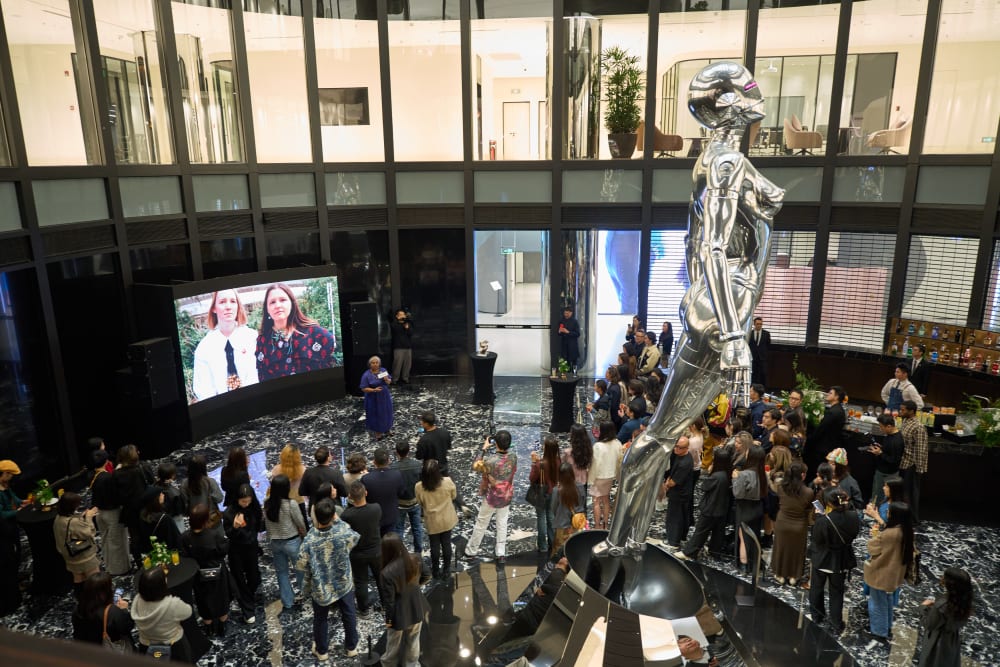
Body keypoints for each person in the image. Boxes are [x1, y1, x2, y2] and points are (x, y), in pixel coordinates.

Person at [593, 62, 785, 564]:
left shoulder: (715, 161)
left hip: (720, 305)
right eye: (746, 87)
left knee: (663, 435)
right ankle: (621, 540)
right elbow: (713, 249)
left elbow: (694, 244)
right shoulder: (724, 163)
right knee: (658, 434)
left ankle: (628, 539)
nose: (757, 94)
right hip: (721, 309)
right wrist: (734, 334)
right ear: (728, 105)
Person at [296, 498, 361, 661]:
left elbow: (301, 564)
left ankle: (322, 651)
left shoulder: (310, 540)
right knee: (349, 613)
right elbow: (355, 537)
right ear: (333, 516)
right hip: (343, 582)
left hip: (321, 587)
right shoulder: (342, 532)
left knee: (320, 618)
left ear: (315, 516)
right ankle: (351, 647)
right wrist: (338, 521)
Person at [255, 282, 337, 380]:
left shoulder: (315, 333)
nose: (278, 305)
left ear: (292, 304)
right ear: (267, 309)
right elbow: (263, 378)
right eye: (272, 302)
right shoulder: (263, 341)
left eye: (283, 300)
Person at [808, 487, 860, 635]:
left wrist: (819, 518)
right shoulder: (853, 516)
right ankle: (836, 623)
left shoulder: (823, 520)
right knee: (837, 592)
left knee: (816, 588)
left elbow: (816, 540)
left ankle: (817, 616)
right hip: (841, 561)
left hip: (822, 559)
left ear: (829, 503)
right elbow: (854, 534)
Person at [192, 289, 259, 400]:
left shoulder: (252, 338)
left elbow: (257, 376)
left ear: (238, 306)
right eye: (222, 302)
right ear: (214, 308)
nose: (228, 307)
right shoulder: (204, 348)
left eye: (233, 301)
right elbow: (204, 391)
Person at [864, 501, 915, 642]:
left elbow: (872, 548)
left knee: (877, 603)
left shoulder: (890, 533)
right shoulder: (906, 531)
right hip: (895, 573)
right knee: (887, 601)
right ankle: (886, 626)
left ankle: (879, 631)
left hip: (881, 573)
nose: (887, 513)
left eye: (889, 512)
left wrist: (875, 536)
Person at [180, 503, 234, 637]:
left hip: (198, 575)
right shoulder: (214, 535)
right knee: (221, 598)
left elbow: (184, 556)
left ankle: (208, 627)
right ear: (205, 519)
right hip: (217, 572)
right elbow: (223, 550)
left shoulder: (185, 537)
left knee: (203, 600)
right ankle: (222, 626)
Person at [464, 431, 517, 564]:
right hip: (506, 495)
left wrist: (484, 449)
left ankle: (471, 551)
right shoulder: (513, 457)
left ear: (496, 444)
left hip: (491, 497)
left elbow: (475, 466)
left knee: (481, 523)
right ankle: (500, 552)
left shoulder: (489, 460)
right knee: (502, 523)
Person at [378, 533, 430, 667]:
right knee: (414, 640)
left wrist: (388, 621)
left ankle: (389, 664)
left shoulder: (386, 573)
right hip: (417, 606)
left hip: (398, 614)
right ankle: (411, 664)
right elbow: (427, 575)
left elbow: (389, 602)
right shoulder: (416, 558)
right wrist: (416, 586)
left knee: (393, 643)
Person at [677, 447, 733, 561]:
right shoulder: (728, 474)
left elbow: (704, 487)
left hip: (711, 508)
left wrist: (709, 472)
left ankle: (690, 552)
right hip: (722, 508)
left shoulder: (716, 476)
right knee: (718, 532)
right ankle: (714, 552)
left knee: (701, 531)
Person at [131, 566, 193, 662]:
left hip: (146, 646)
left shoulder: (137, 600)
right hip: (174, 646)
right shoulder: (173, 604)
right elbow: (188, 612)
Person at [341, 482, 383, 619]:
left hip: (357, 552)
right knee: (381, 578)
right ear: (366, 493)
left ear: (350, 497)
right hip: (376, 550)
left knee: (361, 582)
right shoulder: (376, 508)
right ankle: (386, 605)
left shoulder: (347, 515)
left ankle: (364, 610)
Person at [263, 474, 306, 612]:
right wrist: (305, 536)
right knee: (300, 570)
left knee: (281, 573)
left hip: (275, 542)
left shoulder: (267, 502)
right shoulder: (291, 504)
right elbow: (300, 522)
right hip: (292, 541)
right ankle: (305, 595)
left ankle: (287, 601)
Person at [222, 483, 262, 625]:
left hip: (251, 548)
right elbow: (228, 534)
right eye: (243, 501)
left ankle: (247, 597)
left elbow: (258, 526)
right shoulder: (229, 513)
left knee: (254, 577)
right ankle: (247, 610)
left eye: (248, 501)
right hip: (236, 550)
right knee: (239, 579)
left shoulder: (254, 508)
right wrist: (235, 527)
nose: (246, 504)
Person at [917, 567, 974, 667]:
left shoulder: (942, 605)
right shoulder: (964, 601)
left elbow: (929, 624)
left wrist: (923, 607)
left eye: (944, 576)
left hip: (937, 643)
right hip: (952, 641)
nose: (941, 577)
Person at [769, 462, 813, 586]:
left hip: (782, 523)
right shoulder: (809, 492)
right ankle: (794, 576)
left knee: (781, 548)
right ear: (803, 475)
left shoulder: (781, 488)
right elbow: (812, 508)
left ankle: (780, 574)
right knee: (796, 551)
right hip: (799, 525)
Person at [88, 449, 130, 576]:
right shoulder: (108, 478)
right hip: (112, 513)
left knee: (106, 540)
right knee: (117, 542)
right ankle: (120, 569)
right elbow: (117, 495)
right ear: (106, 461)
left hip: (100, 513)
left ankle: (109, 566)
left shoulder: (92, 476)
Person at [414, 459, 457, 580]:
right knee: (446, 543)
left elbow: (419, 502)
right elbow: (454, 496)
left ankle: (436, 571)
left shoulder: (419, 487)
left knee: (434, 546)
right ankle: (446, 570)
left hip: (432, 520)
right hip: (447, 518)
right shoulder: (447, 481)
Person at [72, 571, 135, 651]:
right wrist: (124, 610)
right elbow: (127, 628)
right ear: (106, 591)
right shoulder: (112, 612)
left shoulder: (78, 608)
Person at [113, 444, 153, 568]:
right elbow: (150, 483)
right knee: (150, 534)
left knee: (134, 538)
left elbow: (116, 494)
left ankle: (139, 564)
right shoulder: (142, 468)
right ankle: (155, 559)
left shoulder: (116, 474)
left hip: (129, 510)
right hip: (145, 508)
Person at [54, 492, 100, 593]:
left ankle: (82, 599)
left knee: (79, 578)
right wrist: (88, 518)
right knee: (95, 580)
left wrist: (81, 517)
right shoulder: (74, 522)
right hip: (83, 557)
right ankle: (96, 600)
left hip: (69, 556)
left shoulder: (58, 518)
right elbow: (89, 533)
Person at [732, 444, 766, 573]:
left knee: (743, 538)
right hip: (758, 508)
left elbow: (737, 494)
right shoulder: (763, 473)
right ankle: (754, 563)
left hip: (745, 508)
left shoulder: (744, 474)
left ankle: (744, 565)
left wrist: (734, 479)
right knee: (754, 537)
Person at [0, 459, 27, 615]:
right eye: (10, 474)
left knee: (16, 553)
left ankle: (16, 578)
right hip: (4, 530)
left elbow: (14, 498)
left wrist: (22, 502)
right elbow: (2, 514)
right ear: (3, 473)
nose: (11, 477)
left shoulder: (5, 486)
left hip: (12, 527)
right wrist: (18, 511)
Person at [805, 386, 846, 478]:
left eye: (830, 393)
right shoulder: (839, 410)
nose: (828, 394)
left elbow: (821, 430)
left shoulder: (833, 412)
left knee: (816, 472)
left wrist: (809, 438)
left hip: (823, 448)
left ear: (836, 397)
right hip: (830, 446)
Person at [662, 435, 695, 549]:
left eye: (679, 447)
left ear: (686, 448)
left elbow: (673, 482)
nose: (676, 449)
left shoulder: (685, 463)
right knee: (681, 516)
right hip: (681, 492)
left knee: (675, 518)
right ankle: (680, 537)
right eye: (675, 446)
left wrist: (666, 484)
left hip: (679, 493)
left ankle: (673, 541)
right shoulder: (680, 455)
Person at [363, 448, 406, 537]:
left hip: (374, 518)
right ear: (389, 461)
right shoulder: (397, 475)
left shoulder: (366, 479)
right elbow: (401, 493)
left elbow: (364, 498)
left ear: (374, 462)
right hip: (391, 516)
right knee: (391, 542)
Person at [898, 399, 928, 524]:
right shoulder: (905, 421)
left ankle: (912, 519)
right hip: (903, 462)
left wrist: (919, 469)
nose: (900, 411)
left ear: (911, 411)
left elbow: (920, 450)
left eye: (903, 410)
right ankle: (903, 516)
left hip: (911, 465)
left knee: (910, 493)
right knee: (903, 492)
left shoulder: (918, 427)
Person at [529, 437, 560, 553]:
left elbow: (532, 478)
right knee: (551, 517)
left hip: (541, 493)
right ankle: (552, 543)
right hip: (553, 492)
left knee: (541, 517)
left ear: (546, 449)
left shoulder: (540, 464)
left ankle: (542, 546)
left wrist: (534, 463)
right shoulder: (558, 461)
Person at [589, 422, 621, 531]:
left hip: (599, 476)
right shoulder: (617, 443)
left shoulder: (598, 446)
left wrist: (591, 478)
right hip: (610, 476)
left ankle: (597, 525)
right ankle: (606, 525)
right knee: (606, 500)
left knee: (596, 501)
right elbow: (619, 461)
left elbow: (595, 464)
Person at [392, 442, 423, 554]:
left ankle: (399, 553)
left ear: (396, 452)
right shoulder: (417, 465)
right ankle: (418, 552)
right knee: (417, 528)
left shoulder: (392, 468)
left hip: (400, 503)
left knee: (399, 529)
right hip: (415, 501)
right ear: (409, 451)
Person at [550, 462, 585, 556]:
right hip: (577, 524)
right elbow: (582, 503)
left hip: (562, 525)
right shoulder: (580, 487)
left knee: (559, 552)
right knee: (575, 550)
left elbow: (553, 507)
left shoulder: (557, 490)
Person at [869, 413, 904, 505]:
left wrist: (880, 453)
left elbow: (894, 460)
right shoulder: (890, 435)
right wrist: (881, 448)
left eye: (881, 427)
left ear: (889, 426)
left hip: (887, 474)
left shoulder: (897, 441)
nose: (880, 429)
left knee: (878, 497)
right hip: (883, 471)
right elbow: (889, 451)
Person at [299, 446, 348, 510]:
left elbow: (301, 492)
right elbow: (345, 493)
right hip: (333, 508)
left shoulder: (308, 472)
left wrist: (314, 493)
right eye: (330, 454)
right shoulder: (336, 473)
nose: (332, 456)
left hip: (315, 509)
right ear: (328, 458)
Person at [181, 454, 223, 527]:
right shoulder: (210, 482)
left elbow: (184, 505)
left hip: (196, 521)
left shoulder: (184, 484)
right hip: (212, 520)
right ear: (204, 467)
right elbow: (219, 499)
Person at [137, 486, 182, 554]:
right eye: (161, 494)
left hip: (152, 554)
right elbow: (176, 539)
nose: (163, 495)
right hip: (166, 555)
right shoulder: (165, 519)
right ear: (156, 499)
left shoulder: (143, 516)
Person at [271, 444, 307, 526]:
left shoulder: (276, 470)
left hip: (282, 502)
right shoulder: (302, 470)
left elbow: (274, 486)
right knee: (303, 523)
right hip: (298, 501)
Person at [361, 356, 394, 439]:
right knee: (376, 414)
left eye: (377, 362)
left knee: (386, 412)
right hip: (373, 398)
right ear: (370, 364)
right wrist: (374, 390)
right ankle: (378, 432)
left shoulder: (383, 370)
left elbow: (389, 382)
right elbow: (363, 388)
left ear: (379, 363)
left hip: (384, 396)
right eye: (373, 363)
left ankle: (387, 428)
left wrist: (386, 379)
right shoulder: (366, 375)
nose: (375, 364)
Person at [563, 423, 593, 500]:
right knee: (582, 502)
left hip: (571, 482)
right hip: (583, 481)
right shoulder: (588, 451)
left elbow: (563, 467)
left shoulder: (568, 453)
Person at [390, 308, 414, 385]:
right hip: (398, 347)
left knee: (407, 364)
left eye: (403, 314)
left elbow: (411, 333)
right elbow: (396, 330)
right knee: (397, 364)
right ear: (397, 316)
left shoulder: (408, 324)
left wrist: (407, 327)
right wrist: (402, 323)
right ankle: (394, 379)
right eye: (400, 315)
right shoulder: (394, 324)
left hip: (408, 347)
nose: (402, 316)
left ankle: (405, 378)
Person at [748, 316, 770, 388]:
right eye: (757, 324)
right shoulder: (750, 333)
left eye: (761, 324)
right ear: (754, 324)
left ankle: (762, 389)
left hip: (762, 358)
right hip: (752, 358)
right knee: (752, 374)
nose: (759, 325)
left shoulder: (766, 334)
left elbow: (768, 345)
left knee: (763, 374)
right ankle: (752, 388)